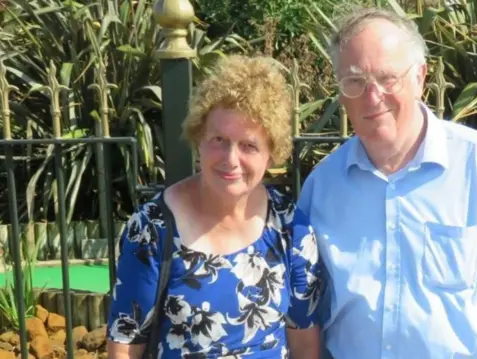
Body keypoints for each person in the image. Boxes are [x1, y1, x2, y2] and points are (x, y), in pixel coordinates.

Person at [296, 6, 477, 359]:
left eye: (387, 78)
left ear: (420, 77)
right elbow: (307, 307)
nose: (372, 97)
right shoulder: (322, 187)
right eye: (355, 81)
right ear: (340, 91)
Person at [107, 55, 322, 359]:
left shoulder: (290, 227)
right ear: (198, 139)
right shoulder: (152, 228)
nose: (230, 159)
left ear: (271, 153)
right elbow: (125, 345)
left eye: (248, 145)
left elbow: (304, 342)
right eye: (219, 140)